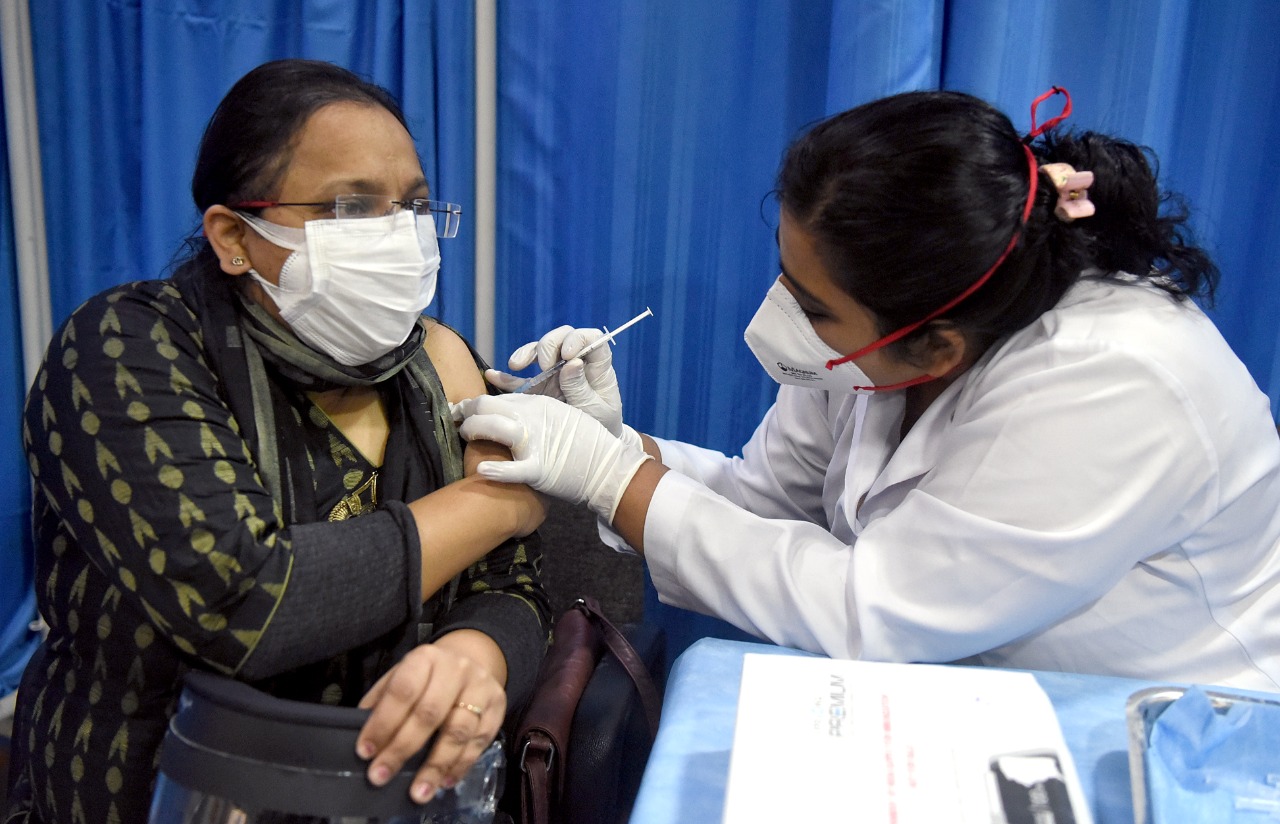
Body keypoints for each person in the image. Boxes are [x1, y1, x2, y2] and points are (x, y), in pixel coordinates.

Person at [454, 87, 1280, 691]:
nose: (783, 319)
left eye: (813, 308)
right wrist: (616, 447)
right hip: (980, 681)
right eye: (787, 278)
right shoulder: (881, 336)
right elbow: (763, 503)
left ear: (937, 345)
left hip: (1176, 721)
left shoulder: (1114, 381)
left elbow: (872, 609)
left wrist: (611, 479)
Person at [6, 59, 551, 823]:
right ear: (233, 236)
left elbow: (514, 584)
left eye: (413, 205)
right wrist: (505, 499)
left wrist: (475, 654)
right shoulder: (124, 348)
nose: (399, 235)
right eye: (352, 207)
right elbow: (243, 601)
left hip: (384, 795)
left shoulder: (431, 363)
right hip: (152, 790)